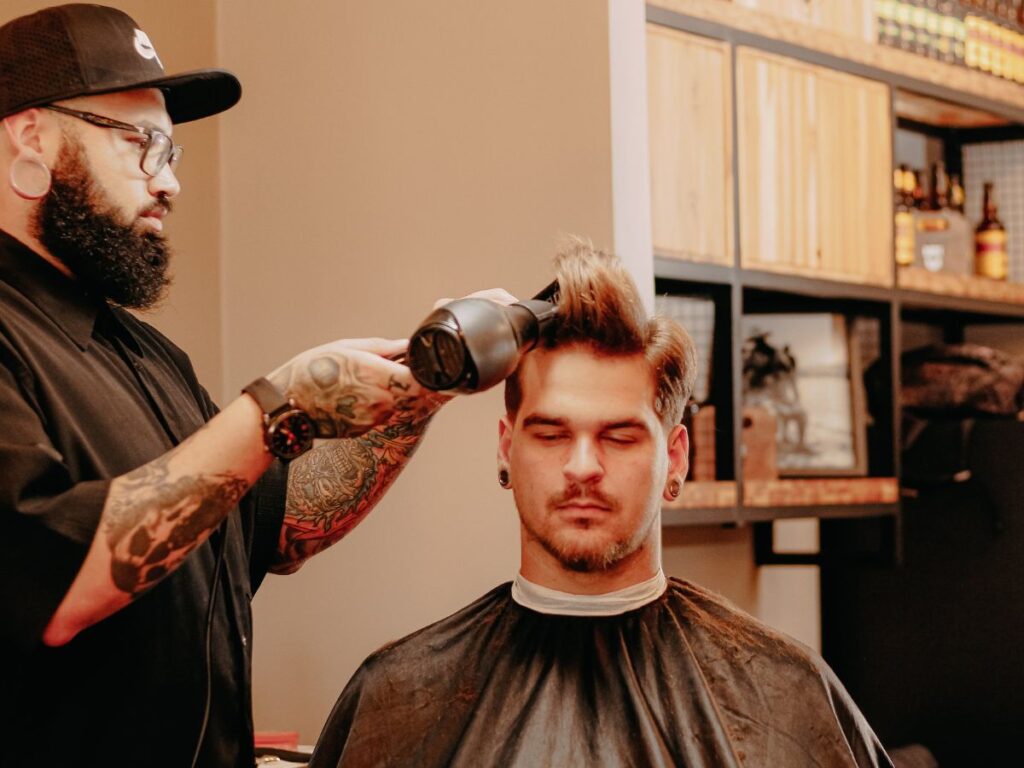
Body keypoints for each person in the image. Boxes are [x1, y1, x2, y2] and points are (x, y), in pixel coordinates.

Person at [0, 5, 507, 766]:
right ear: (30, 136)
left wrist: (424, 386)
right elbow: (58, 585)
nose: (168, 181)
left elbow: (279, 521)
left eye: (171, 151)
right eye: (141, 144)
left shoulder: (145, 355)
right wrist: (277, 406)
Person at [309, 238, 893, 768]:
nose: (583, 467)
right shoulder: (400, 693)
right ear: (508, 450)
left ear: (677, 458)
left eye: (619, 436)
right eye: (551, 434)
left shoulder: (783, 692)